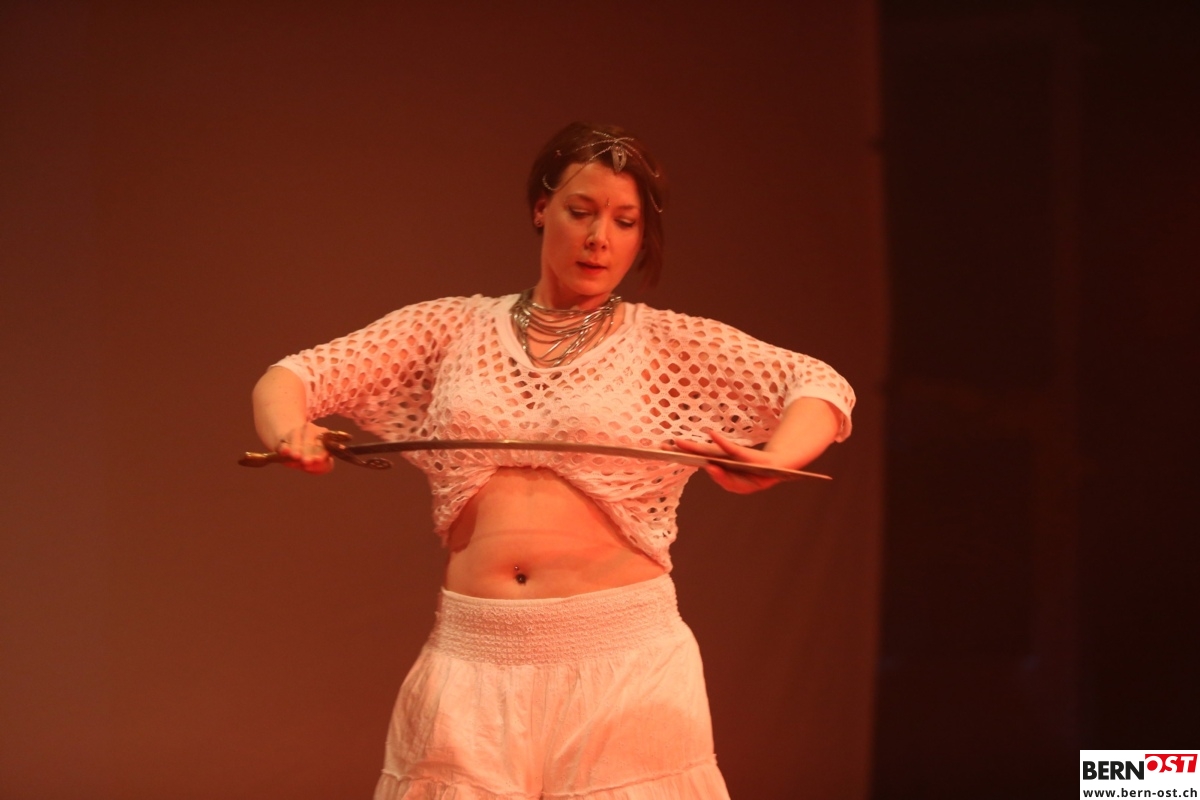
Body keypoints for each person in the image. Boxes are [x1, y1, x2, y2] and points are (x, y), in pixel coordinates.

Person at [251, 122, 855, 799]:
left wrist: (776, 457)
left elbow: (819, 386)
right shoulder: (452, 328)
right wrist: (290, 433)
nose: (600, 237)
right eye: (581, 211)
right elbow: (294, 377)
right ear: (542, 208)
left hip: (623, 662)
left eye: (624, 221)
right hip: (473, 657)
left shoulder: (665, 344)